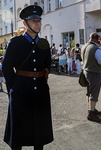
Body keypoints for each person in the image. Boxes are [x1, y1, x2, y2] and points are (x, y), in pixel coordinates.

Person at [2, 5, 53, 150]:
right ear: (25, 24)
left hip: (40, 91)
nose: (38, 24)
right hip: (20, 91)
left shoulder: (44, 43)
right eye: (34, 21)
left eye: (39, 20)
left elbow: (47, 66)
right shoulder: (15, 43)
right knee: (19, 128)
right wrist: (15, 88)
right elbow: (6, 67)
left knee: (39, 128)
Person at [81, 32, 101, 122]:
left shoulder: (84, 46)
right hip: (94, 73)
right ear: (96, 39)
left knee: (89, 92)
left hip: (85, 72)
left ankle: (91, 108)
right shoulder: (96, 48)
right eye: (99, 39)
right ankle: (91, 113)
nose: (99, 41)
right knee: (94, 93)